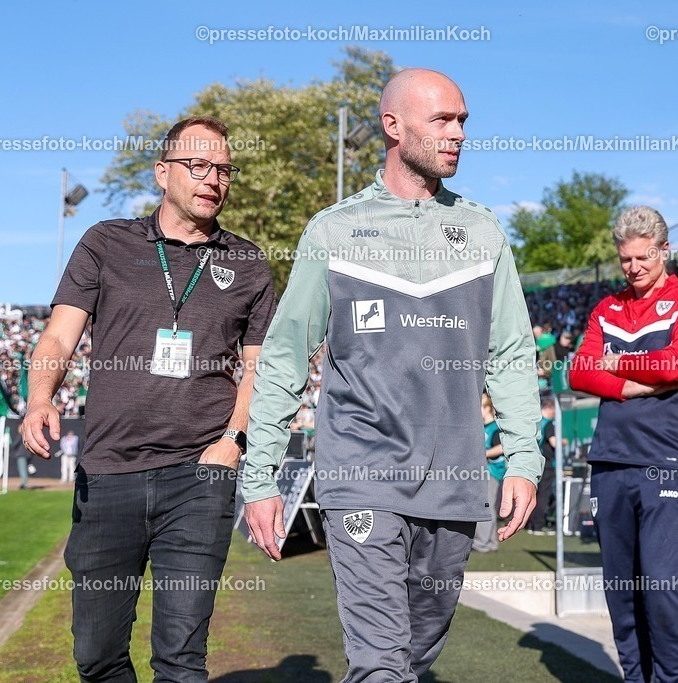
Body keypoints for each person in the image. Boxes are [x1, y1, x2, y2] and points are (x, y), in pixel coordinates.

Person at [240, 68, 543, 683]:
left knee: (415, 653)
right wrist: (261, 476)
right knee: (380, 663)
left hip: (456, 481)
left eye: (462, 120)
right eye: (442, 120)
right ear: (392, 126)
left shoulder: (483, 232)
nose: (458, 133)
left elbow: (511, 352)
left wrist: (522, 459)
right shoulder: (333, 231)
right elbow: (284, 356)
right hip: (362, 475)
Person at [21, 116, 277, 682]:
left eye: (225, 169)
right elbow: (59, 336)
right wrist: (41, 397)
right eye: (198, 165)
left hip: (200, 477)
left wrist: (232, 442)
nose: (214, 178)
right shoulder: (107, 242)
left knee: (182, 659)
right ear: (163, 173)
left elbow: (262, 369)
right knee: (96, 654)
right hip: (108, 473)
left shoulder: (249, 263)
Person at [568, 205, 678, 682]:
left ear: (664, 250)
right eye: (625, 259)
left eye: (643, 258)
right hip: (610, 461)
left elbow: (674, 367)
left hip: (664, 460)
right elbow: (577, 370)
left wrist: (613, 363)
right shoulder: (606, 308)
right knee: (621, 592)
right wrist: (632, 384)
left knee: (662, 587)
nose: (634, 268)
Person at [474, 393, 505, 552]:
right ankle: (490, 542)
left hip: (491, 471)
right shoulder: (485, 427)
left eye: (479, 406)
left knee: (484, 506)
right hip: (486, 471)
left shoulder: (494, 427)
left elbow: (501, 447)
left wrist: (482, 454)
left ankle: (482, 543)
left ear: (487, 408)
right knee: (488, 506)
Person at [526, 398, 559, 534]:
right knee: (543, 495)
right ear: (550, 408)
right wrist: (563, 441)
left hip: (532, 462)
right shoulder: (548, 424)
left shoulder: (534, 421)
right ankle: (538, 525)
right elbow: (554, 442)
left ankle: (530, 524)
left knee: (533, 493)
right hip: (546, 464)